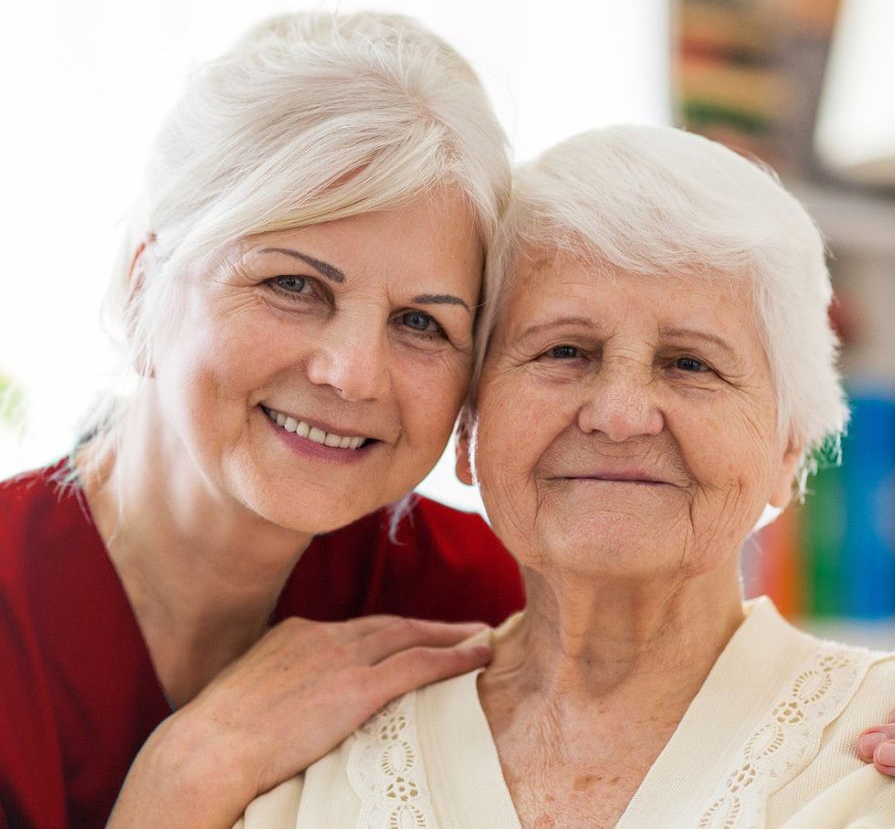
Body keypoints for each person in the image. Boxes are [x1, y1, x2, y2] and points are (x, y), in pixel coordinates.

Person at [240, 126, 895, 827]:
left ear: (789, 447)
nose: (618, 415)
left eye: (689, 363)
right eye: (564, 351)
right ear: (468, 429)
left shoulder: (871, 751)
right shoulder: (316, 760)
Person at [0, 10, 524, 829]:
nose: (351, 374)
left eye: (422, 323)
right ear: (146, 283)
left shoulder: (475, 605)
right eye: (293, 286)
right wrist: (190, 775)